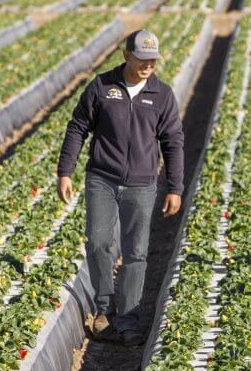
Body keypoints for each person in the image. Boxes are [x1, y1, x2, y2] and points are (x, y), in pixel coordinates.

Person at [56, 29, 184, 346]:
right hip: (102, 177)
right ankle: (103, 310)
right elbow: (78, 127)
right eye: (142, 58)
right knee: (99, 243)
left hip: (142, 184)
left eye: (153, 59)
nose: (148, 64)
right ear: (127, 55)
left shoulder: (162, 95)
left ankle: (128, 319)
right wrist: (65, 171)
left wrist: (175, 187)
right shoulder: (102, 87)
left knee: (136, 253)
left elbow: (173, 142)